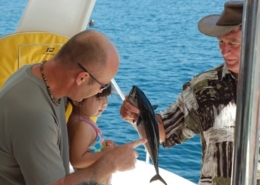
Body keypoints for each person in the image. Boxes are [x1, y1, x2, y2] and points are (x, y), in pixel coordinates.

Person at [120, 1, 260, 185]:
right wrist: (134, 115)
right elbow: (164, 131)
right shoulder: (203, 87)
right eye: (221, 42)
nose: (225, 51)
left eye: (233, 43)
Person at [0, 30, 146, 185]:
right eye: (103, 86)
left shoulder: (35, 74)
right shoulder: (34, 116)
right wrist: (111, 163)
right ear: (82, 78)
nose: (100, 92)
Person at [68, 85, 115, 185]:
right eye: (100, 98)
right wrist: (105, 152)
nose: (105, 103)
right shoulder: (82, 126)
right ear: (78, 100)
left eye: (105, 97)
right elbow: (77, 161)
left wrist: (103, 146)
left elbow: (89, 148)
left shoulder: (84, 121)